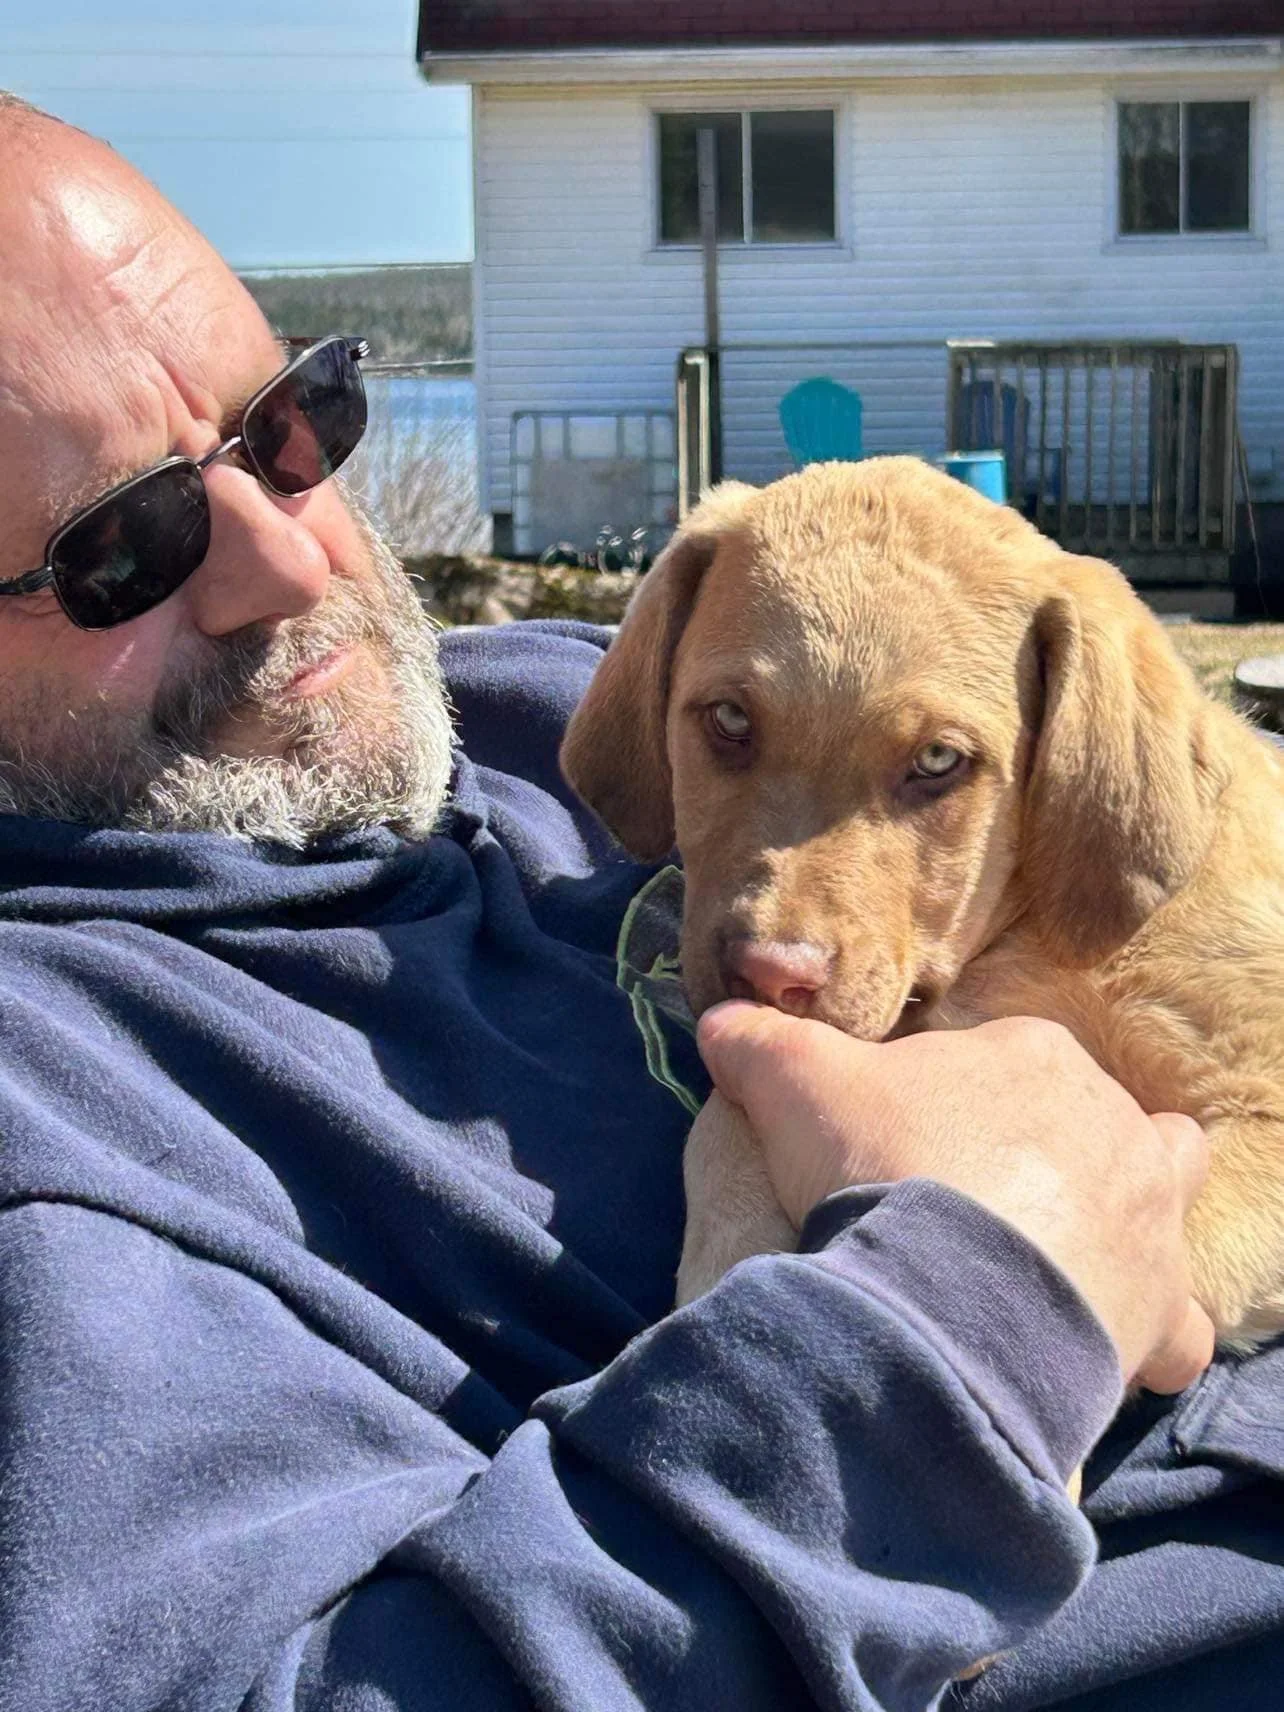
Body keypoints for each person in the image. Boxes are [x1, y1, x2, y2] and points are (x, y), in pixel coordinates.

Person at [0, 90, 1277, 1710]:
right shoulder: (61, 1111)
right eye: (129, 542)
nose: (295, 562)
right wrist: (965, 1323)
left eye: (290, 426)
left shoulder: (540, 704)